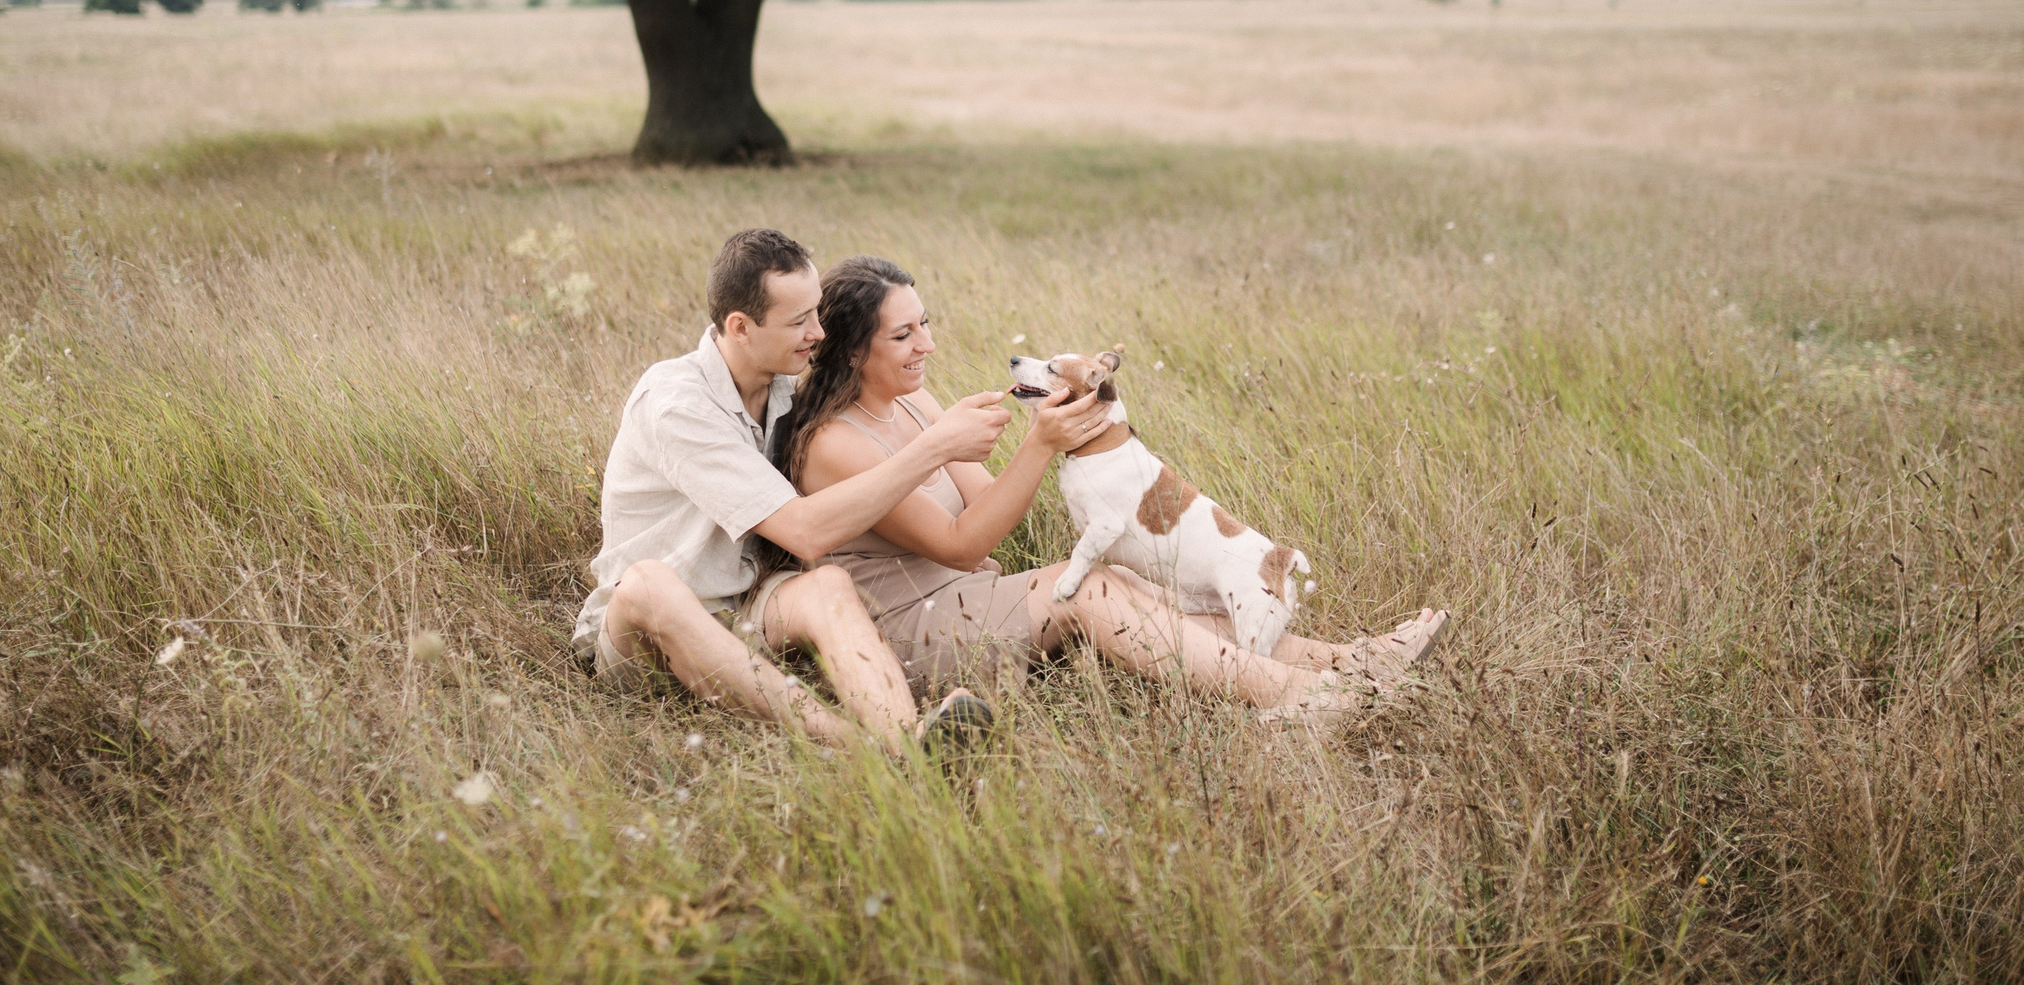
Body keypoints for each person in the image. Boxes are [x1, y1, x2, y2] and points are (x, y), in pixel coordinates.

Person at [766, 255, 1449, 719]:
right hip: (908, 633)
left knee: (1143, 583)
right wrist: (1039, 443)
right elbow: (960, 541)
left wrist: (1069, 436)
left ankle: (1352, 660)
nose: (927, 345)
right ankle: (1303, 696)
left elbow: (985, 506)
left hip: (967, 593)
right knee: (1090, 586)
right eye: (905, 333)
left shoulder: (913, 402)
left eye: (927, 323)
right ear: (855, 350)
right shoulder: (832, 442)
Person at [573, 228, 1101, 750]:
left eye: (818, 313)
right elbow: (803, 531)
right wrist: (936, 447)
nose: (819, 333)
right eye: (800, 321)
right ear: (740, 327)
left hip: (749, 607)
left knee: (826, 585)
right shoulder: (678, 407)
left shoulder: (783, 384)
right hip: (650, 631)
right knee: (647, 583)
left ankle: (909, 737)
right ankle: (864, 746)